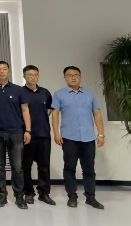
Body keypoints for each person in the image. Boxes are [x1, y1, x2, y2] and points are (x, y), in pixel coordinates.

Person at [52, 66, 106, 209]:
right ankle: (72, 196)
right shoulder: (59, 94)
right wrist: (56, 133)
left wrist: (101, 134)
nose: (73, 77)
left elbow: (97, 113)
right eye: (70, 75)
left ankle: (90, 197)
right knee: (69, 168)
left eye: (76, 75)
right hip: (69, 138)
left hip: (88, 138)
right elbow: (55, 114)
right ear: (65, 78)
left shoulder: (90, 94)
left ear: (80, 77)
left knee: (89, 169)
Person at [0, 61, 31, 209]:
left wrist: (28, 130)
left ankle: (19, 196)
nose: (2, 71)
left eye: (4, 69)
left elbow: (25, 110)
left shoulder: (18, 90)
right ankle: (2, 194)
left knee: (17, 167)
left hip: (16, 132)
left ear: (8, 71)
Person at [20, 65, 55, 205]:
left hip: (43, 134)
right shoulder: (20, 92)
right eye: (30, 75)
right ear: (24, 76)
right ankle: (28, 193)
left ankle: (44, 193)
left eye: (35, 75)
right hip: (26, 135)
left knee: (44, 166)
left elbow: (49, 110)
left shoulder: (45, 93)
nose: (33, 77)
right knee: (26, 166)